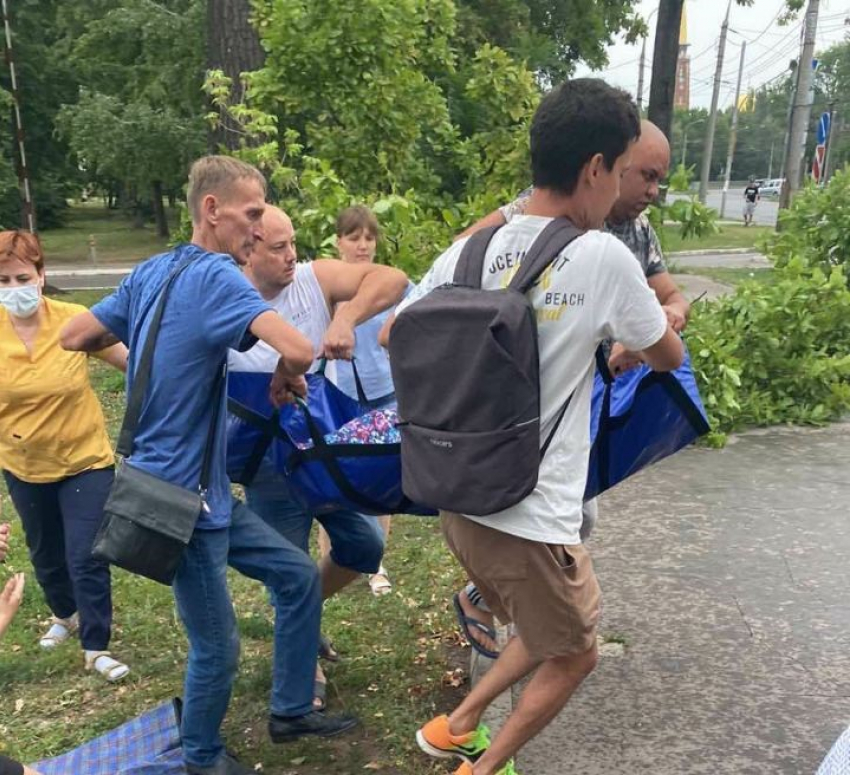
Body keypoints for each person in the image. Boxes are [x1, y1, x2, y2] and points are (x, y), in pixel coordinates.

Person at [387, 79, 684, 775]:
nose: (618, 194)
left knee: (548, 623)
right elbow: (667, 354)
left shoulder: (473, 250)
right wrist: (639, 328)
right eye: (619, 173)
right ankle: (478, 767)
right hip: (531, 516)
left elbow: (394, 332)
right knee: (576, 647)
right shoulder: (604, 255)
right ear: (593, 169)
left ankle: (456, 723)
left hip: (458, 497)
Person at [60, 156, 357, 775]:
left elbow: (78, 334)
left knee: (298, 576)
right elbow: (301, 347)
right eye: (251, 214)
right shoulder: (221, 277)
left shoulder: (152, 272)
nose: (257, 227)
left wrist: (140, 355)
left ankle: (290, 708)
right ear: (212, 210)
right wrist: (286, 367)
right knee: (216, 647)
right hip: (178, 503)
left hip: (205, 491)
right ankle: (200, 757)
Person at [452, 118, 691, 658]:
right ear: (605, 167)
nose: (653, 191)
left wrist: (662, 317)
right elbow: (466, 255)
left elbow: (670, 298)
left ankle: (520, 619)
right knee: (552, 522)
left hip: (593, 388)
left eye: (660, 180)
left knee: (575, 513)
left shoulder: (635, 234)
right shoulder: (540, 212)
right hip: (525, 389)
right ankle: (504, 621)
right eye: (645, 175)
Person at [229, 204, 408, 710]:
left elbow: (392, 278)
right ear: (247, 248)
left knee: (365, 545)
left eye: (293, 244)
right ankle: (298, 680)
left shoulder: (312, 279)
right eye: (277, 247)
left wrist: (347, 315)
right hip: (265, 465)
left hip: (318, 455)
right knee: (290, 572)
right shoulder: (226, 295)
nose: (292, 256)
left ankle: (300, 621)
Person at [0, 230, 131, 682]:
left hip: (84, 460)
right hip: (22, 463)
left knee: (86, 554)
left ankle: (96, 645)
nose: (14, 289)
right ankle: (65, 615)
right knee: (46, 554)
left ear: (42, 276)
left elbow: (131, 365)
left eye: (22, 277)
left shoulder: (74, 320)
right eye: (3, 280)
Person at [320, 205, 404, 597]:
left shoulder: (388, 285)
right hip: (339, 396)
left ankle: (376, 564)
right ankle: (332, 558)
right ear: (339, 242)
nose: (363, 245)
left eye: (369, 237)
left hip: (384, 390)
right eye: (354, 238)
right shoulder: (325, 286)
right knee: (333, 478)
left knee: (381, 479)